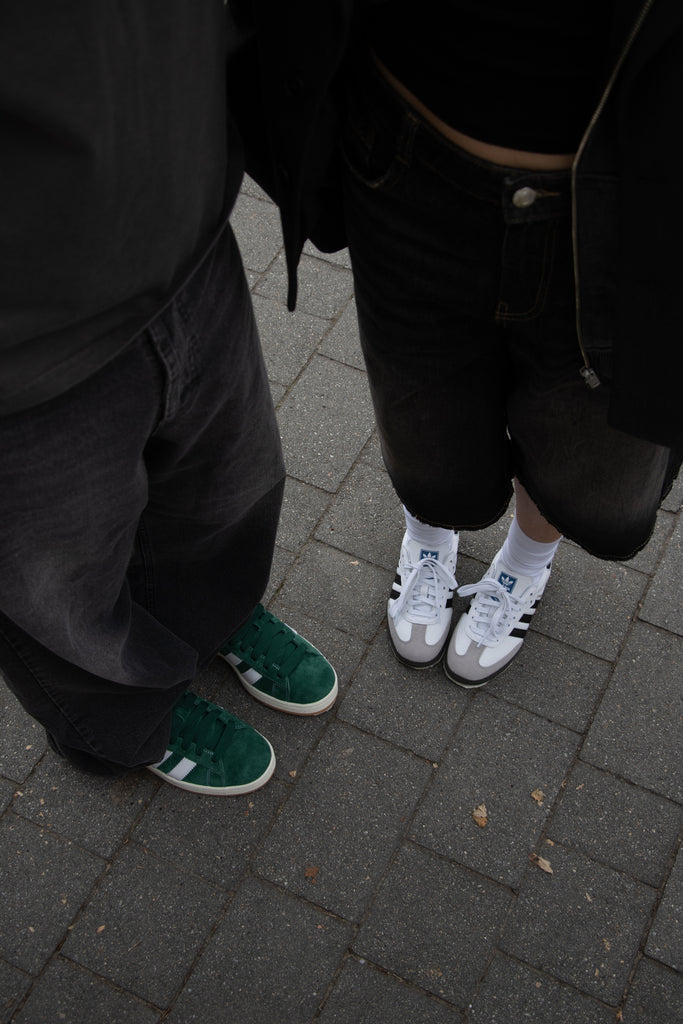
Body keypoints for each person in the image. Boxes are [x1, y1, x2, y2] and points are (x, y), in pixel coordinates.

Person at [0, 1, 337, 797]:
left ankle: (207, 617)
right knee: (62, 597)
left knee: (230, 484)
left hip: (184, 233)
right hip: (20, 357)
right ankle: (124, 721)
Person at [336, 0, 683, 685]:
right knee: (425, 427)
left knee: (590, 466)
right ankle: (429, 539)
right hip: (413, 153)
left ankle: (525, 563)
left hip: (640, 208)